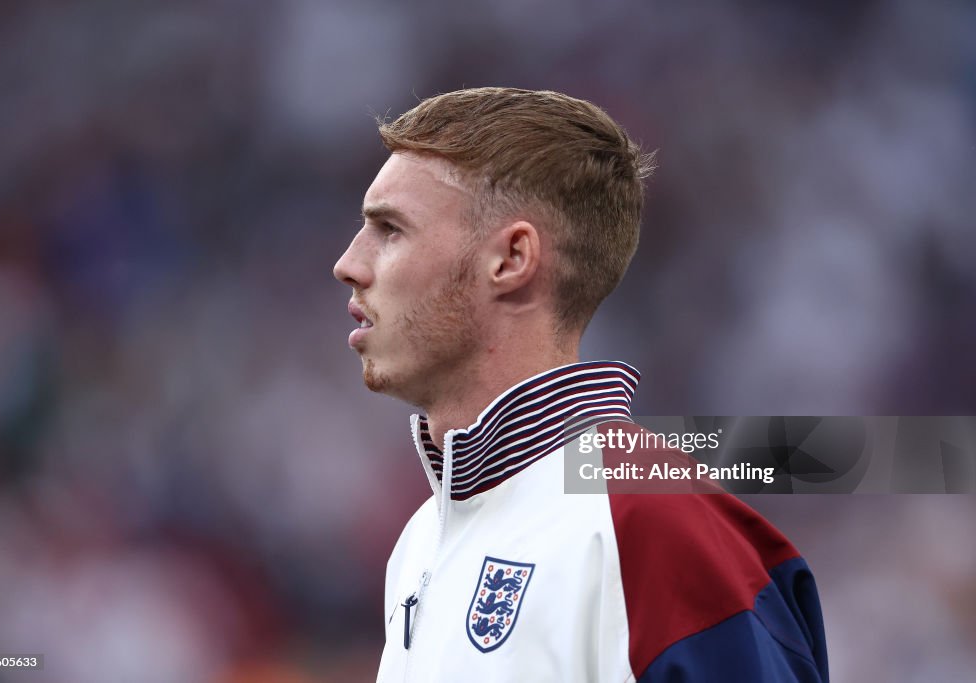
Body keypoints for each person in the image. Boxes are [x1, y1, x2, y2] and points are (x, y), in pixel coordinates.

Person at [333, 87, 829, 682]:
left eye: (390, 229)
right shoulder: (420, 542)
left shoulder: (651, 523)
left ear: (512, 258)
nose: (349, 264)